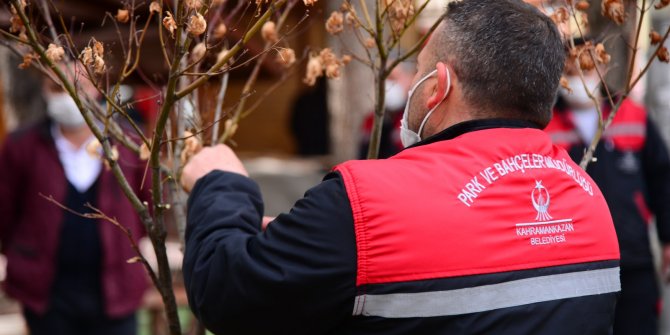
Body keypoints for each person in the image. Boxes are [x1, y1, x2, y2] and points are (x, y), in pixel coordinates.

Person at [181, 1, 621, 334]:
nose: (411, 81)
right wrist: (318, 241)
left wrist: (220, 184)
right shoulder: (589, 201)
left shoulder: (365, 204)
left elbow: (228, 293)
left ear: (439, 85)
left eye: (419, 70)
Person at [0, 66, 149, 335]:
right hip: (48, 296)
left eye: (78, 87)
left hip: (116, 291)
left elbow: (147, 208)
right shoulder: (22, 146)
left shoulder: (130, 143)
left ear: (98, 89)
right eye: (58, 88)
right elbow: (6, 214)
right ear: (45, 91)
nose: (69, 97)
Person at [545, 48, 670, 335]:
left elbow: (662, 178)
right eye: (571, 73)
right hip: (573, 267)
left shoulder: (632, 116)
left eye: (586, 69)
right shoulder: (547, 126)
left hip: (633, 260)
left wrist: (668, 238)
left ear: (601, 68)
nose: (580, 80)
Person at [358, 64, 415, 159]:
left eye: (393, 78)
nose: (388, 85)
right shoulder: (371, 120)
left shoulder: (413, 119)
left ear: (408, 79)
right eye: (383, 80)